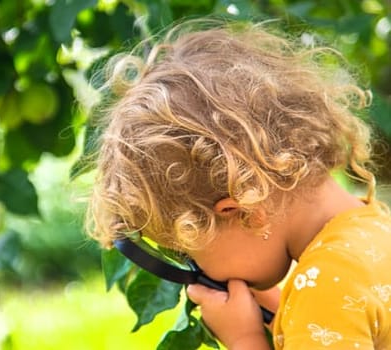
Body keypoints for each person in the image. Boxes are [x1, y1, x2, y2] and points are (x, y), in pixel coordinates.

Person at [85, 19, 391, 349]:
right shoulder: (375, 230)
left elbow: (329, 309)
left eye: (189, 251)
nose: (200, 270)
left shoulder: (323, 292)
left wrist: (244, 339)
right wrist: (286, 312)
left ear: (240, 209)